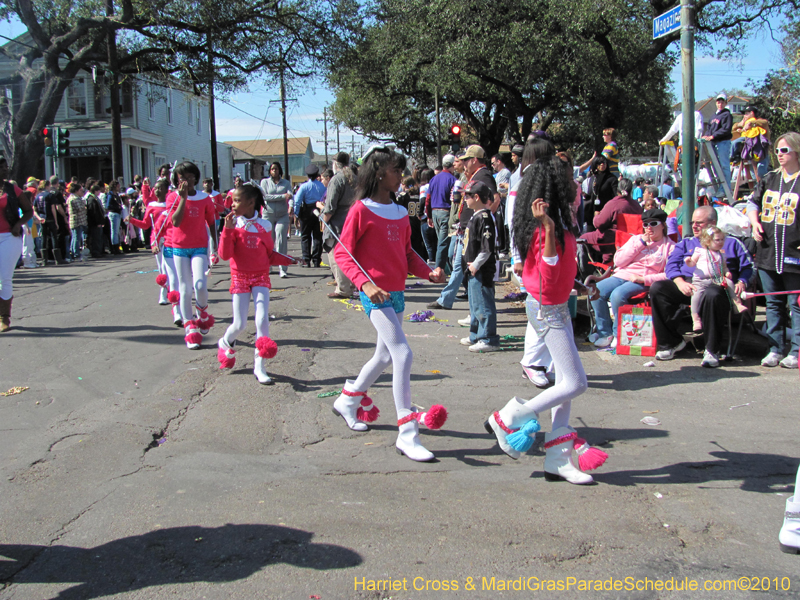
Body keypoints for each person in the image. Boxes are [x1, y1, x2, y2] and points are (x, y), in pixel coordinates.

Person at [485, 154, 601, 485]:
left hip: (556, 305)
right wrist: (549, 229)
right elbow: (547, 271)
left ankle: (558, 459)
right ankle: (509, 417)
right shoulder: (544, 225)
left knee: (565, 387)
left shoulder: (558, 221)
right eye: (569, 179)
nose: (576, 185)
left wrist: (577, 284)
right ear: (555, 186)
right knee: (576, 383)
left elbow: (555, 270)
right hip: (547, 309)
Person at [331, 145, 447, 462]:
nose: (402, 176)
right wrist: (366, 284)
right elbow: (342, 253)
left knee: (383, 356)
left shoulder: (399, 211)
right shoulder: (360, 210)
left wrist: (429, 272)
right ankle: (407, 433)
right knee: (402, 353)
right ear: (380, 172)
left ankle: (348, 400)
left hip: (396, 293)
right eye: (397, 170)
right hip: (375, 295)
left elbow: (407, 254)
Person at [651, 206, 752, 368]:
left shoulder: (731, 242)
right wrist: (680, 282)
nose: (694, 226)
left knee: (712, 294)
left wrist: (742, 282)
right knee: (658, 288)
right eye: (692, 222)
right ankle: (671, 343)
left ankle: (712, 350)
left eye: (699, 222)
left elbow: (748, 267)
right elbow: (671, 265)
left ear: (713, 223)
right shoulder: (687, 242)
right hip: (689, 284)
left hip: (718, 284)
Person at [217, 183, 298, 384]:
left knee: (262, 320)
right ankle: (225, 341)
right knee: (240, 324)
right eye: (232, 200)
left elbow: (268, 254)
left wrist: (286, 260)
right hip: (240, 277)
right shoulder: (232, 225)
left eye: (237, 201)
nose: (232, 204)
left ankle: (259, 367)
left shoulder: (266, 226)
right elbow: (224, 255)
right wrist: (226, 231)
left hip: (261, 277)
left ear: (251, 202)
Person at [746, 131, 800, 369]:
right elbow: (751, 203)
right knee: (772, 303)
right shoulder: (769, 178)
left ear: (796, 151)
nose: (779, 155)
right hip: (768, 253)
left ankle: (797, 351)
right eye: (777, 150)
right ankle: (775, 348)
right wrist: (755, 222)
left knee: (795, 304)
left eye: (785, 150)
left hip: (794, 254)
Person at [588, 208, 675, 348]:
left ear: (663, 225)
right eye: (645, 224)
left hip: (644, 280)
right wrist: (640, 243)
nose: (648, 228)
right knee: (595, 290)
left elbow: (670, 274)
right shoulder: (635, 239)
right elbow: (619, 261)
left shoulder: (669, 247)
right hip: (622, 274)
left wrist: (644, 279)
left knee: (618, 295)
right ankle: (605, 332)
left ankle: (618, 333)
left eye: (653, 223)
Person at [170, 161, 217, 348]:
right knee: (185, 289)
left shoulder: (205, 199)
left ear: (196, 178)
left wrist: (215, 246)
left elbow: (212, 222)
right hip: (179, 248)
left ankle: (203, 312)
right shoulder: (172, 198)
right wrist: (182, 198)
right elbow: (175, 222)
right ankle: (190, 328)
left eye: (190, 177)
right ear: (177, 180)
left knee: (199, 285)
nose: (187, 181)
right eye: (182, 178)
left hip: (199, 247)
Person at [458, 180, 499, 352]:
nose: (464, 199)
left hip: (481, 269)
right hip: (473, 269)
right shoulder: (476, 216)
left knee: (483, 304)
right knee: (475, 305)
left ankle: (488, 338)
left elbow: (487, 247)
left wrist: (476, 264)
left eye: (467, 196)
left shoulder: (485, 218)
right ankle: (475, 334)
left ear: (476, 197)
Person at [684, 225, 747, 334]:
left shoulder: (721, 254)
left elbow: (724, 266)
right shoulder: (700, 251)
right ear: (707, 241)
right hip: (700, 281)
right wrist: (688, 261)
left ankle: (737, 304)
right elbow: (692, 263)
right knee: (695, 297)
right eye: (717, 240)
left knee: (730, 283)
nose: (720, 242)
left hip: (717, 279)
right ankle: (696, 319)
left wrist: (727, 272)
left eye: (722, 239)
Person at [0, 158, 33, 331]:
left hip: (8, 237)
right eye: (2, 168)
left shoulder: (12, 189)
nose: (5, 170)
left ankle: (4, 318)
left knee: (4, 277)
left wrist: (18, 224)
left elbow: (28, 211)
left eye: (6, 167)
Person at [580, 177, 642, 264]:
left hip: (613, 239)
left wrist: (596, 216)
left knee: (581, 239)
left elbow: (600, 223)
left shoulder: (614, 203)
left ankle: (584, 271)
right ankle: (607, 263)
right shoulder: (637, 206)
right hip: (630, 240)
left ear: (617, 190)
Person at [127, 179, 170, 304]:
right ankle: (164, 291)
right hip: (157, 240)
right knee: (162, 267)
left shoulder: (171, 204)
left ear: (166, 190)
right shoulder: (151, 206)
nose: (157, 190)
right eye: (155, 188)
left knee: (168, 267)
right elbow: (146, 225)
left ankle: (172, 290)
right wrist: (132, 220)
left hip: (170, 239)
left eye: (160, 188)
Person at [321, 152, 358, 298]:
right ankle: (352, 285)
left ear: (335, 163)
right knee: (351, 255)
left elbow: (330, 206)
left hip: (337, 223)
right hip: (353, 220)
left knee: (336, 256)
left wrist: (324, 221)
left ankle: (343, 289)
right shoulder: (355, 178)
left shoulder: (336, 179)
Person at [260, 162, 293, 278]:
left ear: (279, 170)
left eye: (276, 169)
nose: (274, 171)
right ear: (269, 171)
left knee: (281, 240)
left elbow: (290, 196)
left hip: (282, 215)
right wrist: (282, 197)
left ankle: (282, 268)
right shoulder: (264, 182)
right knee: (268, 241)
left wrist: (291, 206)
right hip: (268, 214)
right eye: (272, 169)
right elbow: (265, 197)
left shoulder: (286, 183)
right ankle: (267, 265)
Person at [426, 154, 457, 272]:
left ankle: (444, 269)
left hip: (435, 213)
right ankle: (439, 269)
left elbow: (428, 199)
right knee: (443, 244)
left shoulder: (434, 179)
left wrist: (429, 216)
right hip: (445, 213)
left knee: (442, 242)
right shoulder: (453, 180)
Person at [293, 164, 325, 267]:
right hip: (318, 210)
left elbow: (297, 201)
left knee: (305, 236)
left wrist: (296, 214)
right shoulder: (322, 186)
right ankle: (316, 259)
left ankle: (306, 259)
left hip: (306, 211)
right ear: (317, 175)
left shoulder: (304, 186)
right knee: (317, 236)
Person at [702, 93, 733, 191]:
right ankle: (720, 187)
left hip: (723, 142)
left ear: (725, 103)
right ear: (716, 103)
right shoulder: (713, 116)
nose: (720, 104)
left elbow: (726, 129)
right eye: (719, 102)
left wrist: (713, 136)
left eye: (722, 102)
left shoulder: (727, 115)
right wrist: (707, 135)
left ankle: (725, 188)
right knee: (715, 165)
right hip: (713, 143)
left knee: (724, 166)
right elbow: (710, 128)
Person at [583, 156, 618, 230]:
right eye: (599, 163)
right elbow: (590, 193)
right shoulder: (593, 177)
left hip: (606, 211)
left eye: (604, 162)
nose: (602, 165)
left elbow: (616, 196)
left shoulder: (612, 179)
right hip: (591, 211)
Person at [66, 182, 87, 260]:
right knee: (76, 237)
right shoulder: (75, 199)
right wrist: (84, 204)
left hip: (75, 220)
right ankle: (75, 252)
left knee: (75, 236)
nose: (82, 192)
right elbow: (80, 208)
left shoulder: (71, 197)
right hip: (77, 220)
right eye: (81, 190)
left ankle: (73, 251)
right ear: (77, 191)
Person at [85, 183, 106, 258]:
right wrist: (98, 222)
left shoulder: (96, 199)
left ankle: (99, 251)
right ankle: (96, 252)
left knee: (99, 237)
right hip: (95, 223)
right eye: (98, 191)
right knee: (96, 238)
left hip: (98, 222)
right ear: (96, 191)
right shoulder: (92, 199)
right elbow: (94, 212)